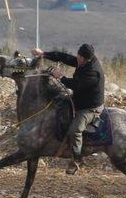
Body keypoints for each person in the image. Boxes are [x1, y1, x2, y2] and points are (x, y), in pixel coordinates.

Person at [32, 43, 105, 175]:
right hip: (78, 99)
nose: (76, 58)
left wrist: (61, 76)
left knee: (75, 130)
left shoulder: (93, 72)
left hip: (90, 108)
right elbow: (65, 58)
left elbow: (76, 85)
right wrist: (44, 54)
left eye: (79, 57)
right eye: (77, 55)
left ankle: (76, 160)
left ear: (85, 58)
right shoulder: (83, 61)